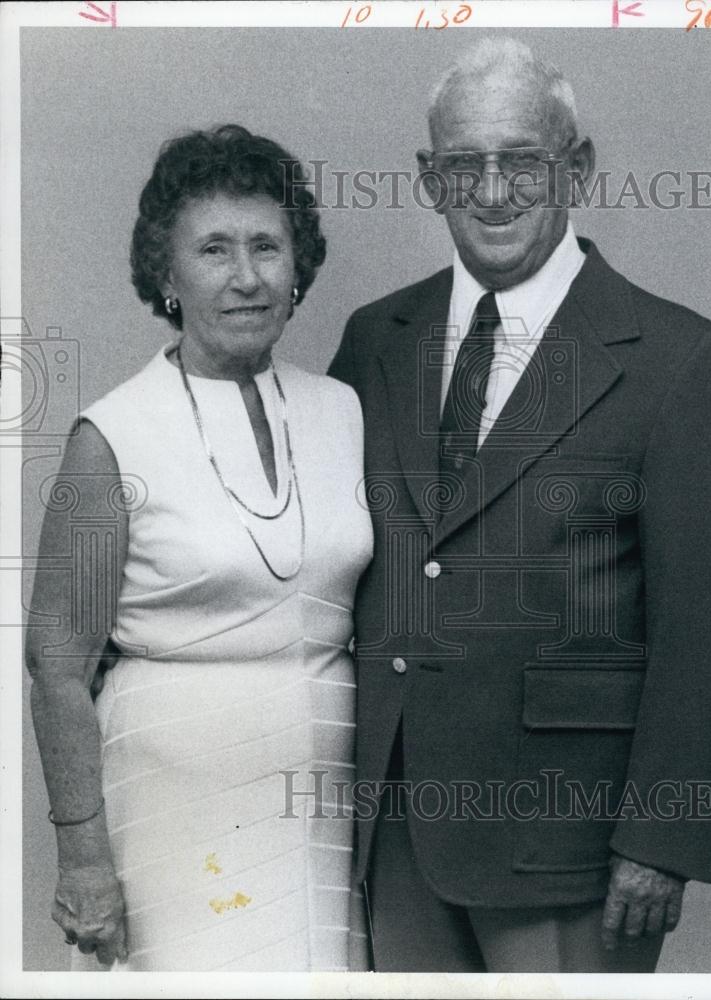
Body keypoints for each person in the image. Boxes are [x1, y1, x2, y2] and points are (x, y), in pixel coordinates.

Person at [328, 39, 711, 973]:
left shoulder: (679, 362)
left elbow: (704, 637)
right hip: (396, 821)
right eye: (462, 164)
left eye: (520, 159)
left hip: (568, 843)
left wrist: (660, 839)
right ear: (428, 179)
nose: (491, 191)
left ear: (577, 168)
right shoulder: (374, 341)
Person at [26, 124, 373, 972]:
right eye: (214, 250)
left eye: (267, 246)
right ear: (167, 274)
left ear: (299, 266)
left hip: (320, 812)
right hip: (170, 810)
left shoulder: (342, 411)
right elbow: (57, 660)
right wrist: (81, 857)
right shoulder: (111, 434)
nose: (247, 275)